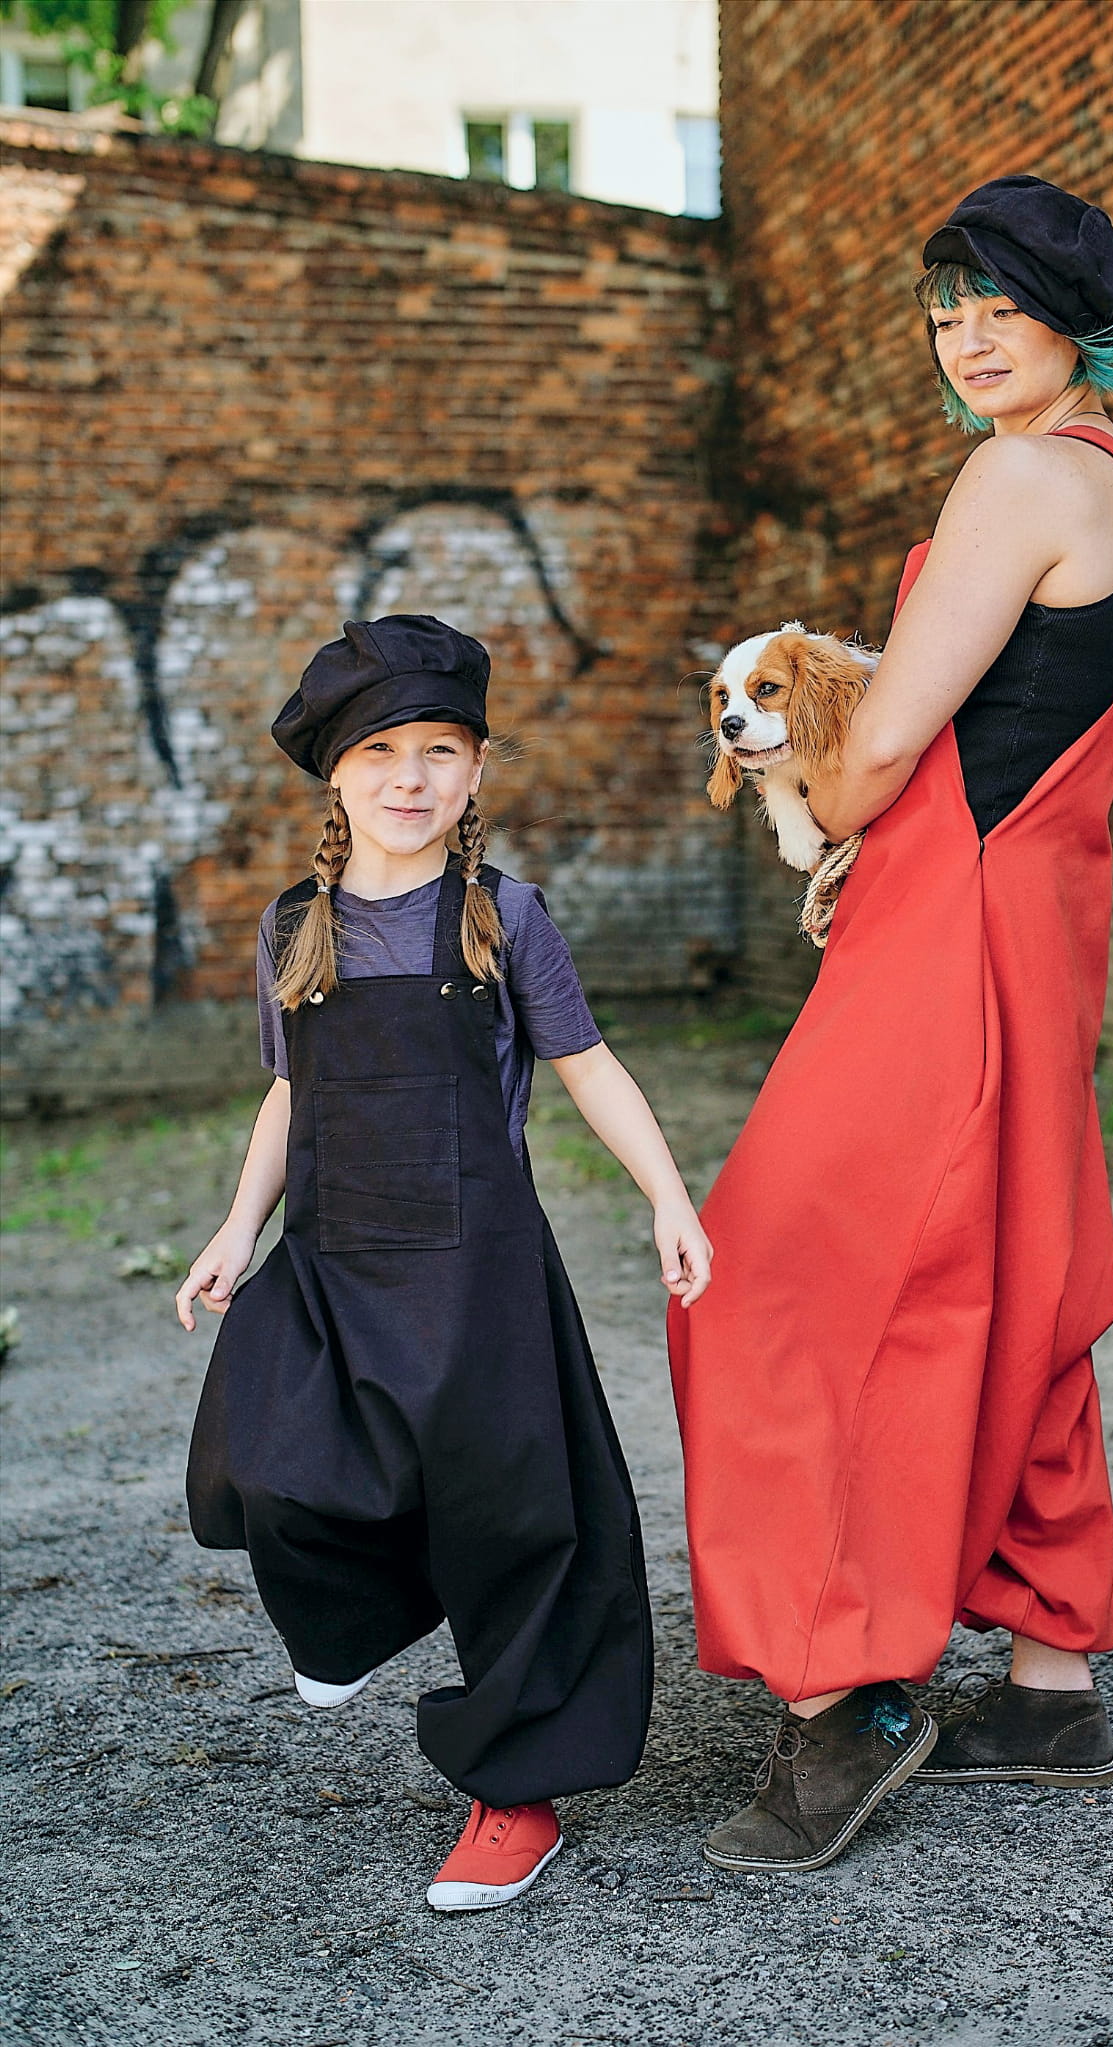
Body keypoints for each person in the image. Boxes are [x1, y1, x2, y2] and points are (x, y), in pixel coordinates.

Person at [669, 175, 1113, 1873]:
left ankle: (845, 1700)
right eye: (944, 310)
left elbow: (882, 741)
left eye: (998, 305)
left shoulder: (1018, 475)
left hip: (952, 922)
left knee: (772, 1279)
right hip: (1030, 915)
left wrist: (815, 803)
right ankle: (1047, 1685)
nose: (964, 336)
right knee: (1014, 1274)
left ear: (1078, 322)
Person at [177, 615, 711, 1911]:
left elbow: (586, 1064)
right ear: (335, 773)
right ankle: (352, 1619)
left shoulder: (501, 917)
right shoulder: (293, 928)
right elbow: (289, 1095)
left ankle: (515, 1795)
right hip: (336, 1262)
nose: (408, 778)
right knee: (264, 1457)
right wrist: (239, 1228)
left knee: (510, 1529)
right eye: (379, 752)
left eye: (438, 750)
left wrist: (668, 1197)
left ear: (476, 770)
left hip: (479, 1281)